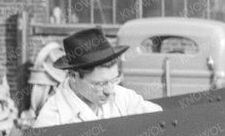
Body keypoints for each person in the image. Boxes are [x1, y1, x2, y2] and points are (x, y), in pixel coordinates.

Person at [31, 28, 162, 127]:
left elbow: (161, 119)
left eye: (114, 80)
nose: (109, 91)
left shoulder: (123, 98)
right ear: (74, 76)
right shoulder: (52, 121)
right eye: (100, 84)